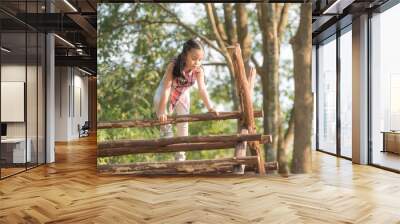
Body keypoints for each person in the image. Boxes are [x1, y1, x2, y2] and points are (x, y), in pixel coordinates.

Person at [153, 38, 218, 161]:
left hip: (183, 93)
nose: (197, 62)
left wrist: (210, 107)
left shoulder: (199, 70)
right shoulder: (173, 65)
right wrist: (162, 112)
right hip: (167, 89)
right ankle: (166, 130)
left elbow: (202, 90)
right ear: (184, 55)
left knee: (183, 122)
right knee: (157, 100)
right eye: (194, 58)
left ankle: (181, 156)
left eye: (200, 59)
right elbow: (166, 89)